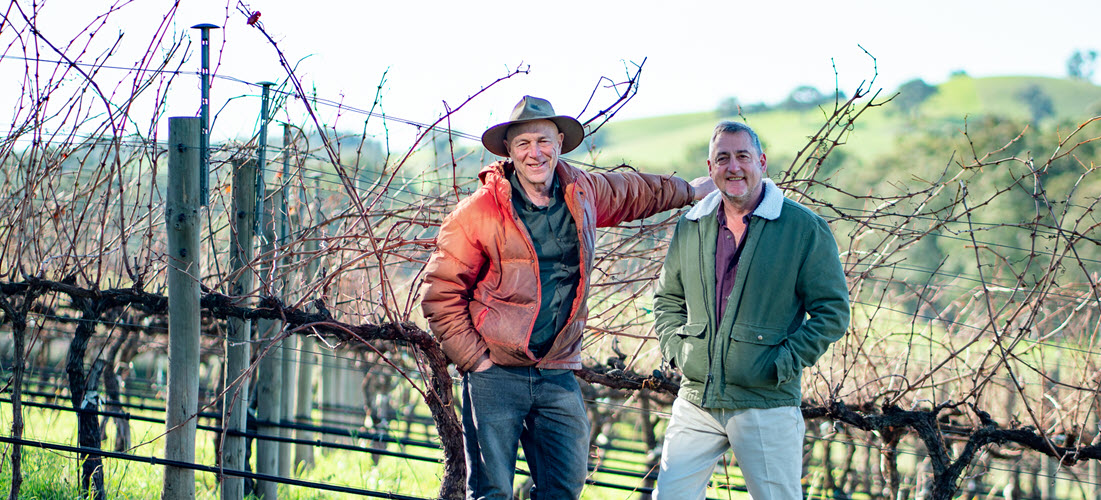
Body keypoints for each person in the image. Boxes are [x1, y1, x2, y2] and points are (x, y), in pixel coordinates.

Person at [420, 95, 713, 500]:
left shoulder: (583, 192)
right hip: (495, 373)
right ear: (509, 150)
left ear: (558, 142)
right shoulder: (478, 212)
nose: (534, 153)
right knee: (492, 492)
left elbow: (633, 192)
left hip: (556, 369)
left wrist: (688, 190)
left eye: (542, 141)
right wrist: (476, 361)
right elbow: (440, 293)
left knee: (566, 484)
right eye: (523, 144)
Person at [652, 121, 850, 499]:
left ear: (761, 162)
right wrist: (680, 352)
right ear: (710, 169)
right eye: (722, 158)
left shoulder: (804, 228)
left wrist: (783, 362)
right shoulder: (691, 225)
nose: (733, 167)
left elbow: (832, 311)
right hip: (697, 398)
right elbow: (667, 299)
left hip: (765, 402)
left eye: (743, 156)